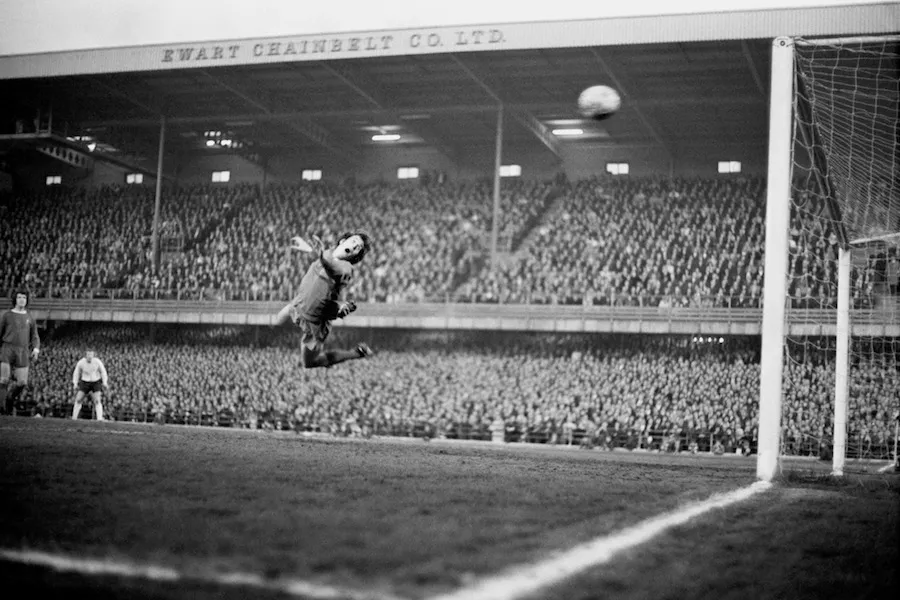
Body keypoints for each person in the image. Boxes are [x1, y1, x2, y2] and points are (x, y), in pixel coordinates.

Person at [275, 231, 374, 368]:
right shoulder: (328, 253)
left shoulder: (346, 268)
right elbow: (323, 262)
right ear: (342, 241)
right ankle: (337, 309)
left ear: (356, 255)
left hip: (315, 323)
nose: (356, 246)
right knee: (276, 322)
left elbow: (331, 266)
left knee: (309, 363)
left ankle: (356, 353)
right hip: (298, 305)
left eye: (359, 248)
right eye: (354, 241)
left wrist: (320, 252)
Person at [0, 291, 41, 415]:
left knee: (22, 382)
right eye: (19, 297)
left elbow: (35, 336)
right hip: (8, 348)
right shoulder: (6, 315)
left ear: (27, 300)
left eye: (24, 297)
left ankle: (10, 398)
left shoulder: (30, 317)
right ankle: (2, 408)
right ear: (15, 299)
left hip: (23, 350)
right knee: (3, 380)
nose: (22, 299)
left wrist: (36, 349)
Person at [72, 349, 109, 420]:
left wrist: (105, 382)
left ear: (93, 355)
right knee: (79, 399)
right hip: (84, 382)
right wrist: (75, 383)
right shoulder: (81, 362)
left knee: (97, 400)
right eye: (88, 355)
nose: (89, 357)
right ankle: (74, 417)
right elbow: (76, 373)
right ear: (85, 355)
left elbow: (103, 372)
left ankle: (99, 418)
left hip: (95, 382)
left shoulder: (97, 362)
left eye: (91, 355)